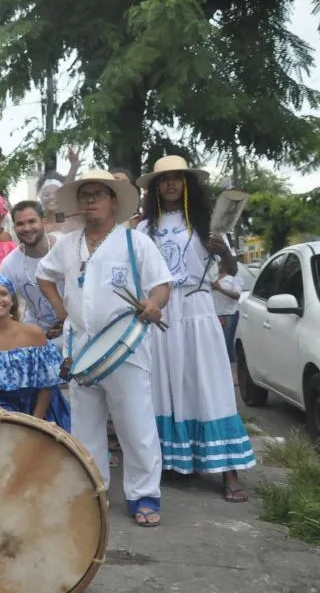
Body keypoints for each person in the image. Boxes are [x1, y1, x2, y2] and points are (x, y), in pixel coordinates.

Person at [36, 169, 173, 527]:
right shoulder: (68, 244)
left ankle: (144, 494)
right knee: (86, 426)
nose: (91, 201)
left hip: (126, 347)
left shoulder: (135, 242)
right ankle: (92, 492)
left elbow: (161, 285)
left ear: (114, 201)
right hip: (79, 347)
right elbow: (43, 275)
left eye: (98, 194)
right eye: (85, 195)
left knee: (136, 424)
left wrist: (155, 304)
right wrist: (62, 312)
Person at [135, 156, 256, 501]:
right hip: (160, 311)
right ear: (156, 187)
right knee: (165, 385)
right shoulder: (145, 228)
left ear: (188, 184)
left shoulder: (205, 223)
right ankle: (174, 462)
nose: (170, 184)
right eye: (164, 179)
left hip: (199, 306)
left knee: (209, 382)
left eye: (177, 178)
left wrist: (223, 252)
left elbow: (230, 269)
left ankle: (228, 473)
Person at [0, 275, 70, 429]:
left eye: (3, 294)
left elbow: (48, 383)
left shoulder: (34, 334)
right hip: (2, 403)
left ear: (12, 300)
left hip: (40, 404)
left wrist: (36, 421)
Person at [0, 201, 65, 347]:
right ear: (14, 227)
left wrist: (68, 322)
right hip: (36, 337)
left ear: (43, 222)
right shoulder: (9, 264)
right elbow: (2, 305)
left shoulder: (65, 246)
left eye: (32, 221)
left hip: (75, 332)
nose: (27, 228)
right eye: (20, 224)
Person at [212, 257, 244, 386]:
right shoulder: (212, 277)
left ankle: (234, 373)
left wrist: (219, 289)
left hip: (229, 314)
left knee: (227, 343)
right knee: (216, 345)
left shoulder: (235, 279)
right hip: (215, 315)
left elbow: (236, 295)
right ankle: (220, 373)